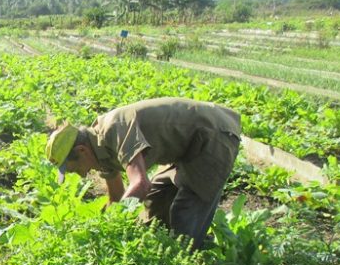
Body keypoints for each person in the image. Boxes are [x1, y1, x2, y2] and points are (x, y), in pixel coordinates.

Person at [45, 97, 241, 249]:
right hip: (186, 147)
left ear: (81, 151)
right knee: (157, 198)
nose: (81, 175)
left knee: (185, 214)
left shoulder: (113, 129)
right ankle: (163, 254)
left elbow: (140, 184)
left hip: (214, 135)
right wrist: (99, 227)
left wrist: (113, 226)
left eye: (75, 169)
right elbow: (116, 198)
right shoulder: (98, 154)